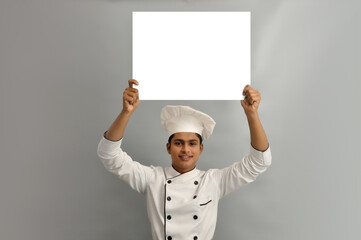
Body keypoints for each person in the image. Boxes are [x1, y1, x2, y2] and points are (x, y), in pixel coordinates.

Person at [97, 79, 272, 240]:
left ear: (201, 148)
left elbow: (259, 162)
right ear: (168, 147)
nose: (186, 150)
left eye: (192, 143)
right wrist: (125, 112)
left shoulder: (213, 181)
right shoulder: (152, 179)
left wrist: (252, 115)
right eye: (178, 143)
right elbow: (108, 154)